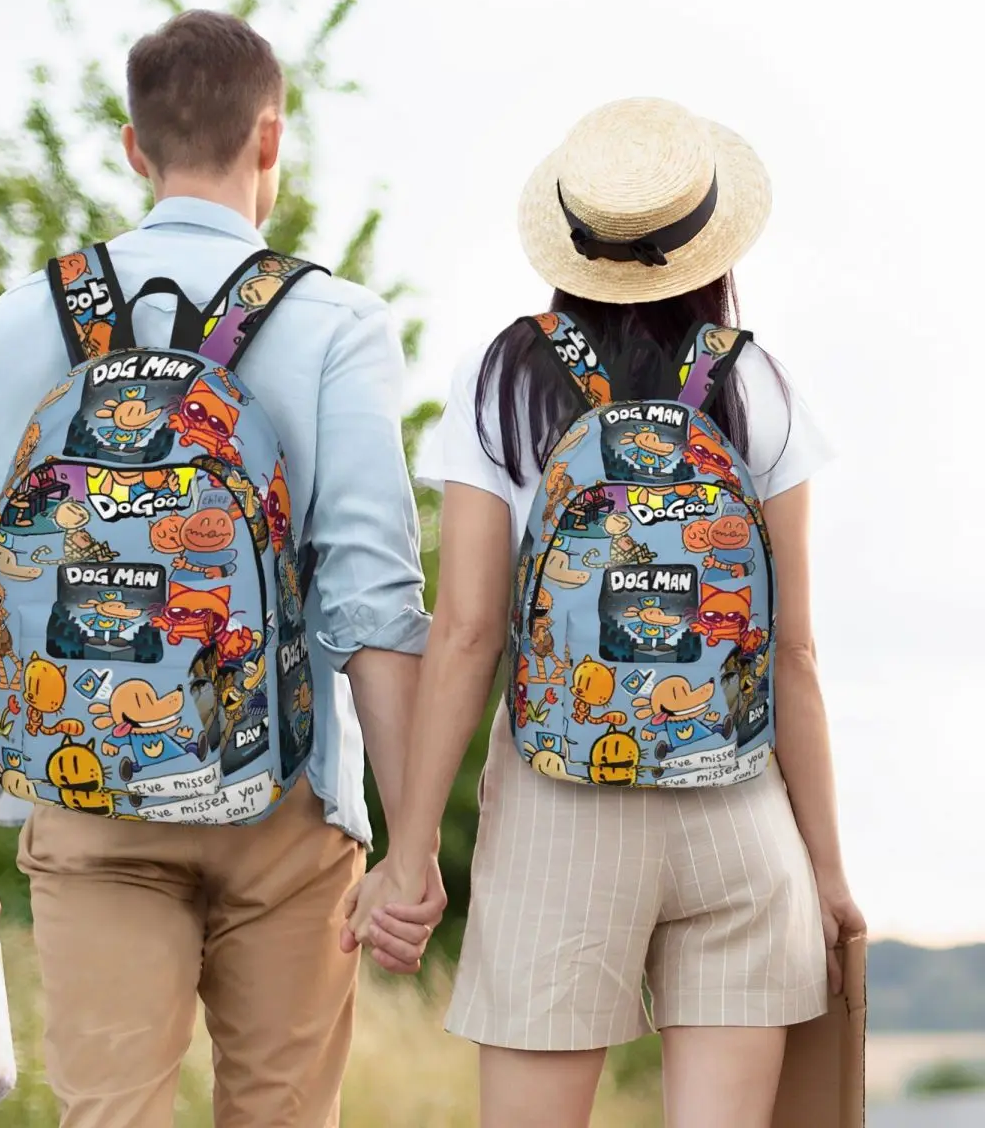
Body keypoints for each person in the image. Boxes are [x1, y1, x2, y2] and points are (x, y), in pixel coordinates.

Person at [0, 9, 446, 1128]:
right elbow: (373, 606)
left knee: (110, 1114)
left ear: (134, 147)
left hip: (86, 797)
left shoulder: (20, 322)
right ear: (271, 141)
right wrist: (412, 842)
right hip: (288, 801)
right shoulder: (336, 323)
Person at [344, 97, 865, 1127]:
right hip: (738, 810)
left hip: (559, 807)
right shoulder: (756, 384)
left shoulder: (503, 380)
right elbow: (794, 651)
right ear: (709, 243)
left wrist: (408, 855)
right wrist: (828, 871)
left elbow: (466, 634)